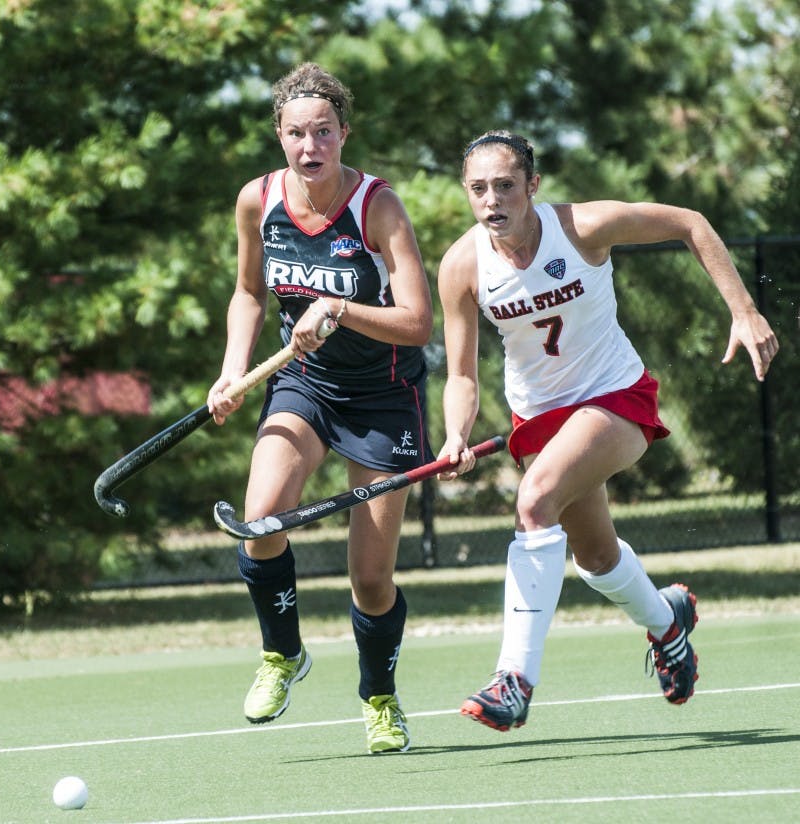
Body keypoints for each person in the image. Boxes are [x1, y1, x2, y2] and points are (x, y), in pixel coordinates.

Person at [436, 129, 779, 732]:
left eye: (506, 186)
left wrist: (744, 310)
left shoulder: (582, 228)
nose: (493, 201)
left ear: (533, 187)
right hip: (537, 420)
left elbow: (690, 222)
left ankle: (513, 678)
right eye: (479, 189)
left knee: (535, 500)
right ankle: (668, 622)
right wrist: (455, 436)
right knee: (595, 558)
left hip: (613, 397)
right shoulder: (462, 266)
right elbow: (461, 376)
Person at [206, 63, 434, 754]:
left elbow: (419, 322)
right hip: (303, 385)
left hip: (384, 400)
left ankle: (380, 698)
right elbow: (249, 293)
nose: (311, 147)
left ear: (344, 134)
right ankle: (283, 654)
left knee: (369, 578)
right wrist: (232, 371)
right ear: (280, 136)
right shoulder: (259, 201)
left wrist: (337, 308)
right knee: (260, 522)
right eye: (298, 134)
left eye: (324, 133)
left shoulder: (377, 207)